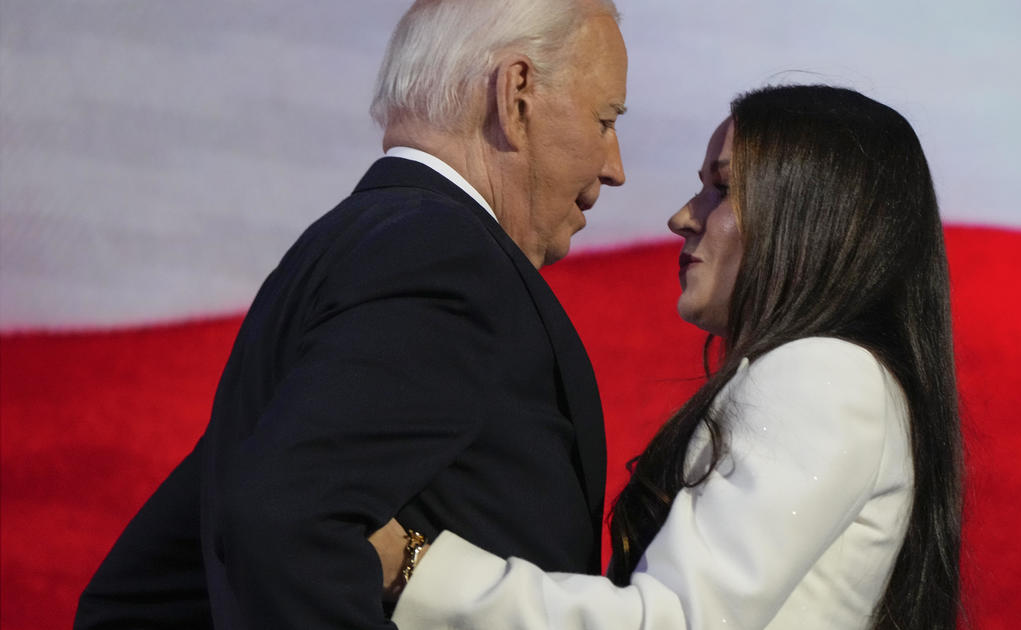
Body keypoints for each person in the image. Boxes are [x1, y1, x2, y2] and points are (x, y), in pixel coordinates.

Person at [74, 1, 626, 628]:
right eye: (605, 120)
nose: (615, 167)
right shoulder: (444, 259)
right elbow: (284, 519)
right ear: (517, 93)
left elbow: (146, 590)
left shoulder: (346, 250)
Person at [379, 84, 963, 629]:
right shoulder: (838, 374)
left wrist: (410, 568)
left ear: (814, 217)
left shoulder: (822, 373)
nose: (683, 217)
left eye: (723, 188)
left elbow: (675, 619)